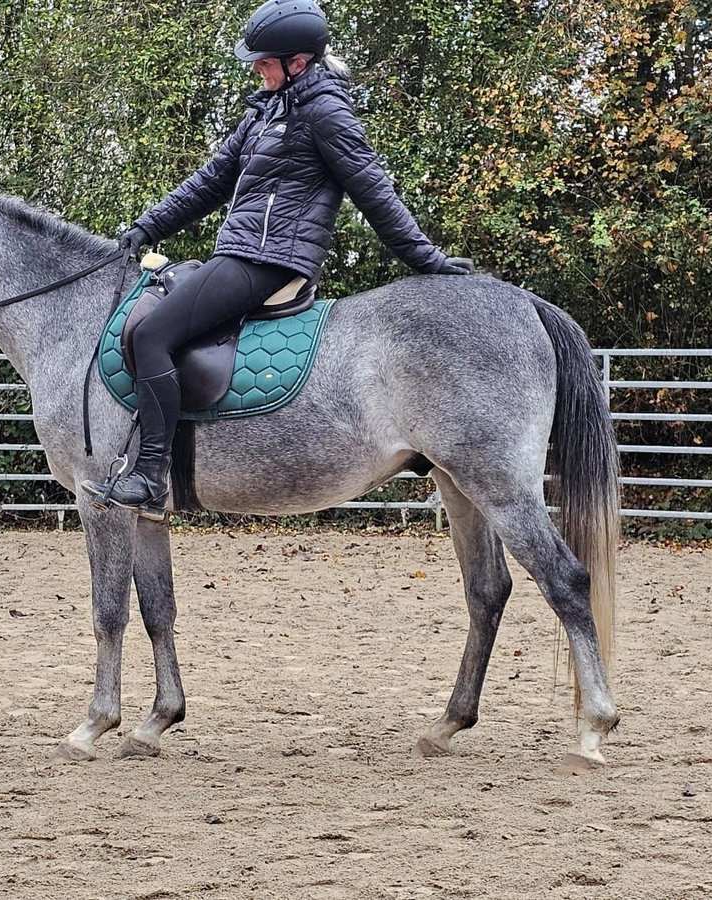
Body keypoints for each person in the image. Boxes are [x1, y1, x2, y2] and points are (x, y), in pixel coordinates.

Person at [83, 0, 475, 519]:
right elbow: (210, 182)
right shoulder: (266, 110)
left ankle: (149, 477)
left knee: (151, 334)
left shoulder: (325, 112)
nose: (256, 67)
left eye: (265, 60)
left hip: (269, 260)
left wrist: (427, 260)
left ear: (300, 61)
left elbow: (372, 190)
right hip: (242, 251)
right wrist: (147, 227)